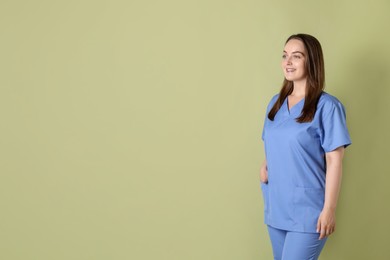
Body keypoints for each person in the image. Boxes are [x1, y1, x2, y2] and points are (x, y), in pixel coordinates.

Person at [260, 33, 352, 260]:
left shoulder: (328, 107)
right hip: (276, 204)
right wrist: (265, 165)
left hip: (307, 209)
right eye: (285, 55)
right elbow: (276, 141)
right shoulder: (276, 103)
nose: (288, 62)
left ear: (311, 61)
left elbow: (334, 160)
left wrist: (329, 210)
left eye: (296, 56)